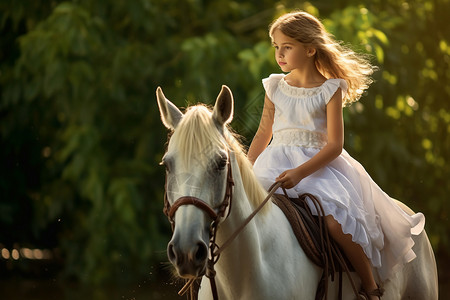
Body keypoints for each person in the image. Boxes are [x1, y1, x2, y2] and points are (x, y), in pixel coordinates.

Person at [247, 11, 425, 300]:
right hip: (274, 165)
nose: (279, 54)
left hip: (317, 169)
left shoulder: (330, 90)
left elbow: (334, 146)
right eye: (276, 47)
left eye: (287, 47)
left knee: (335, 222)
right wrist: (247, 167)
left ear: (310, 49)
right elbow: (262, 134)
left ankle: (369, 285)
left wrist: (299, 173)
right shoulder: (275, 86)